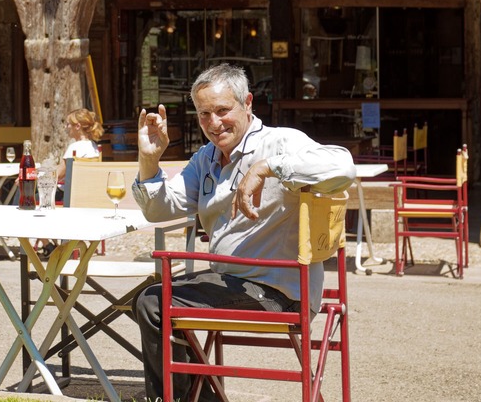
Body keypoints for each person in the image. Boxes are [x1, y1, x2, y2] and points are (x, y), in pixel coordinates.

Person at [131, 63, 355, 402]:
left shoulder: (279, 142)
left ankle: (182, 398)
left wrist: (267, 168)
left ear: (247, 103)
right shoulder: (206, 158)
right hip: (231, 281)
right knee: (147, 298)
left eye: (223, 110)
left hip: (280, 290)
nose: (214, 123)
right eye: (204, 114)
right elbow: (160, 210)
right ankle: (197, 397)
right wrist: (150, 159)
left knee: (153, 303)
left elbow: (343, 166)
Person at [57, 107, 103, 195]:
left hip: (68, 195)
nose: (66, 127)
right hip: (85, 193)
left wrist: (41, 174)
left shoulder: (75, 147)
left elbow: (58, 175)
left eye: (68, 124)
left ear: (77, 126)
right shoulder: (94, 146)